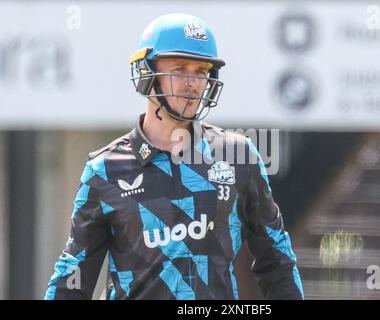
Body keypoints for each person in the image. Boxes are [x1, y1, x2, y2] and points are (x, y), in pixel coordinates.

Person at [44, 13, 304, 300]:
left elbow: (277, 259)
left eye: (202, 71)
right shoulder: (102, 171)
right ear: (146, 73)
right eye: (180, 70)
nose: (192, 83)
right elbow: (74, 277)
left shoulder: (238, 155)